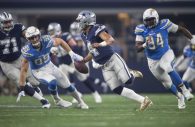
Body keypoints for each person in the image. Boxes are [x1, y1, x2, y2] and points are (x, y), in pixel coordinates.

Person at [76, 10, 152, 111]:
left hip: (112, 59)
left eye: (80, 20)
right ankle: (143, 100)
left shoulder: (96, 29)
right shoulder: (83, 35)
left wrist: (100, 44)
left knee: (129, 81)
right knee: (116, 89)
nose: (78, 23)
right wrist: (84, 60)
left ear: (87, 21)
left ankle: (132, 73)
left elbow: (111, 40)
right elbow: (92, 51)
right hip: (104, 66)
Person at [135, 8, 194, 109]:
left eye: (151, 19)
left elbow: (181, 29)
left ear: (157, 18)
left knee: (167, 67)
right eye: (147, 20)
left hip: (166, 53)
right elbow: (137, 48)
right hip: (152, 60)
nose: (149, 22)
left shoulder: (165, 24)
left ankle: (185, 90)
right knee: (166, 84)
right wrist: (145, 44)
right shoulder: (141, 29)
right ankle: (180, 97)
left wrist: (192, 39)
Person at [20, 26, 89, 109]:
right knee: (52, 81)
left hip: (50, 65)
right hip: (38, 71)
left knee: (68, 85)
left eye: (35, 36)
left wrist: (72, 54)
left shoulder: (46, 40)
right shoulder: (27, 50)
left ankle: (81, 102)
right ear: (28, 39)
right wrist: (22, 85)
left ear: (39, 35)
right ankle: (57, 100)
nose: (34, 39)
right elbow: (24, 68)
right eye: (31, 38)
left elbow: (60, 41)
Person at [47, 22, 102, 103]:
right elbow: (48, 54)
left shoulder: (66, 36)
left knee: (83, 78)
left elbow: (76, 48)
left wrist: (70, 47)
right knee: (63, 82)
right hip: (62, 63)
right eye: (50, 31)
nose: (50, 33)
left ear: (57, 30)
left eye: (52, 31)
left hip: (72, 61)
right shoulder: (49, 40)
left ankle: (95, 93)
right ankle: (77, 94)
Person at [0, 12, 45, 103]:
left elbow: (27, 35)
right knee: (20, 82)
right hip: (6, 63)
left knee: (35, 82)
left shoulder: (17, 27)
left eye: (9, 21)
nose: (8, 24)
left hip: (19, 58)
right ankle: (43, 101)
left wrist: (34, 40)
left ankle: (35, 88)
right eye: (6, 22)